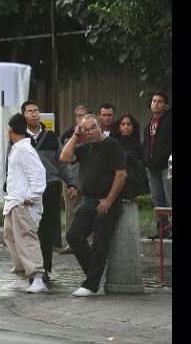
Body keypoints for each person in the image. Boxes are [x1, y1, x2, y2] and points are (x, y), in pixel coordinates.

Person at [60, 114, 127, 297]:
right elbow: (65, 157)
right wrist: (75, 135)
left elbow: (121, 175)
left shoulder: (112, 145)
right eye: (85, 130)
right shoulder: (84, 148)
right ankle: (94, 276)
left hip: (106, 201)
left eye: (92, 128)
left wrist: (108, 201)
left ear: (99, 126)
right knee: (73, 236)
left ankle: (91, 285)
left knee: (99, 243)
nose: (89, 132)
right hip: (88, 201)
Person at [20, 100, 76, 284]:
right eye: (30, 111)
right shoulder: (19, 137)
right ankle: (29, 268)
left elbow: (61, 162)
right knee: (29, 231)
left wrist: (71, 183)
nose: (34, 114)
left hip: (50, 187)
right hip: (27, 190)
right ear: (24, 116)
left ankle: (44, 269)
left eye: (36, 111)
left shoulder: (51, 137)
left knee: (47, 230)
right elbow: (10, 163)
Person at [3, 113, 48, 293]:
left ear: (11, 130)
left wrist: (31, 196)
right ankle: (22, 277)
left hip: (23, 203)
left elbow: (38, 175)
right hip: (13, 202)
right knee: (12, 240)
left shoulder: (25, 150)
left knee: (27, 240)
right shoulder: (18, 148)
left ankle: (37, 278)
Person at [59, 105, 89, 254]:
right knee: (71, 211)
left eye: (84, 115)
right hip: (72, 179)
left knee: (90, 211)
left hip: (89, 179)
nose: (81, 118)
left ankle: (89, 242)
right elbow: (63, 158)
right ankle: (71, 244)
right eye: (78, 115)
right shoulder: (68, 134)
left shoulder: (93, 133)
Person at [143, 91, 172, 240]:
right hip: (153, 168)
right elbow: (146, 145)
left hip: (168, 166)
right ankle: (162, 231)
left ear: (166, 105)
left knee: (170, 197)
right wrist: (146, 161)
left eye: (159, 101)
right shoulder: (149, 123)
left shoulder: (169, 120)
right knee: (157, 199)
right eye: (154, 101)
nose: (156, 103)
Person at [113, 114, 150, 200]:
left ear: (133, 127)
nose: (126, 127)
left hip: (135, 183)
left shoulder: (138, 145)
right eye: (123, 124)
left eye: (129, 124)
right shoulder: (114, 143)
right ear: (119, 127)